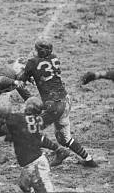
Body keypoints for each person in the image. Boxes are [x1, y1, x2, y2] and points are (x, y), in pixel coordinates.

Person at [17, 39, 97, 167]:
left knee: (30, 131)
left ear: (40, 51)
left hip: (53, 105)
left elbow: (21, 81)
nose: (34, 51)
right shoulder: (54, 57)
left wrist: (20, 79)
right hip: (66, 100)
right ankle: (89, 159)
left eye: (36, 49)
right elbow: (42, 72)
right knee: (64, 138)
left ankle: (57, 152)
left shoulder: (32, 62)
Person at [0, 97, 84, 193]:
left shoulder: (16, 119)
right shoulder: (35, 120)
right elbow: (39, 139)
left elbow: (0, 129)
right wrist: (56, 148)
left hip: (35, 165)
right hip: (33, 163)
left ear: (27, 106)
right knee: (24, 184)